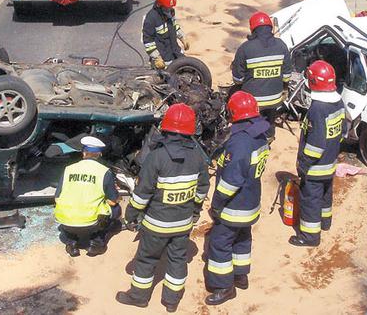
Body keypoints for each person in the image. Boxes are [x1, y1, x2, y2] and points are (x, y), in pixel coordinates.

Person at [116, 103, 209, 313]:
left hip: (156, 225)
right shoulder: (198, 158)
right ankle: (171, 301)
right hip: (183, 224)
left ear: (166, 128)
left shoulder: (156, 157)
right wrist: (195, 212)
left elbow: (143, 192)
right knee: (177, 260)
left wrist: (131, 215)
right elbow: (202, 189)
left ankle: (138, 296)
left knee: (147, 259)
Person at [204, 91, 269, 305]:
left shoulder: (240, 143)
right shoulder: (259, 135)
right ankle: (240, 275)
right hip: (251, 202)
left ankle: (224, 286)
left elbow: (231, 181)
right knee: (242, 238)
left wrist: (216, 204)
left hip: (234, 206)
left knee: (220, 242)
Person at [289, 60, 345, 247]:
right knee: (325, 194)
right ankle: (325, 222)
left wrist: (303, 164)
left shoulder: (317, 109)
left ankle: (310, 236)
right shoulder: (338, 101)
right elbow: (342, 131)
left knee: (310, 200)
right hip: (330, 163)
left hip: (315, 168)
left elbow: (315, 145)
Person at [54, 136, 121, 257]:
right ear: (99, 154)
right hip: (91, 223)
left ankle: (71, 244)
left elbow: (57, 197)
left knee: (69, 211)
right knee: (116, 209)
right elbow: (112, 201)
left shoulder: (68, 169)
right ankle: (96, 245)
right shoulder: (105, 171)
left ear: (83, 153)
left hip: (65, 220)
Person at [231, 11, 292, 140]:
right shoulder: (281, 45)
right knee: (269, 118)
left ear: (253, 29)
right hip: (275, 99)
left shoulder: (245, 48)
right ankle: (269, 136)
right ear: (270, 27)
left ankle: (252, 139)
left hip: (252, 102)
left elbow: (238, 79)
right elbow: (287, 76)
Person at [142, 0, 190, 70]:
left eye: (170, 8)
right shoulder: (151, 18)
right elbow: (148, 41)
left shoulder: (170, 12)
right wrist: (156, 58)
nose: (169, 11)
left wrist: (182, 38)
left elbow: (174, 26)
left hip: (176, 52)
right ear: (159, 5)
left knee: (188, 69)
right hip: (163, 58)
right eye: (167, 8)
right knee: (169, 80)